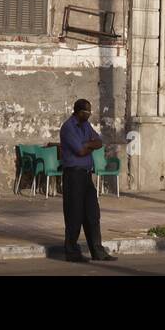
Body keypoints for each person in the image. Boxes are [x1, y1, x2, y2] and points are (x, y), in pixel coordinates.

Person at [59, 99, 116, 263]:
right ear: (78, 111)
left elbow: (99, 142)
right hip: (73, 175)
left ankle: (98, 251)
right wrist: (89, 145)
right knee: (74, 214)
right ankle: (72, 252)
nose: (89, 115)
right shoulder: (68, 127)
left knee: (92, 214)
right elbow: (81, 151)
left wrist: (88, 144)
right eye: (86, 112)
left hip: (86, 174)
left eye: (90, 112)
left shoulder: (86, 126)